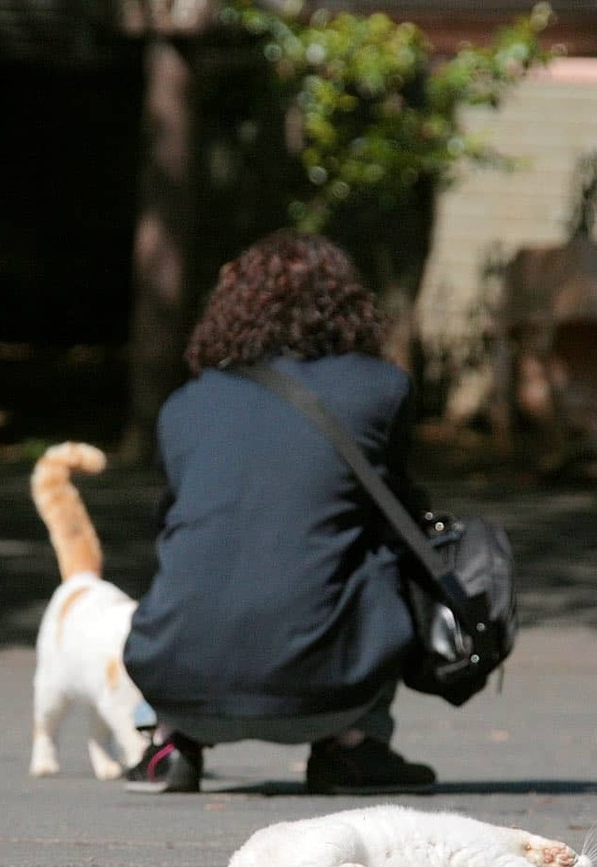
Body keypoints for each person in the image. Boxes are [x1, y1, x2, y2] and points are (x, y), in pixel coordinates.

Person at [122, 230, 436, 794]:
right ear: (347, 303)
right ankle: (352, 746)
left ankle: (167, 744)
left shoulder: (186, 403)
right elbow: (398, 510)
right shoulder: (382, 389)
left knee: (197, 545)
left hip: (178, 682)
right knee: (379, 540)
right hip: (327, 692)